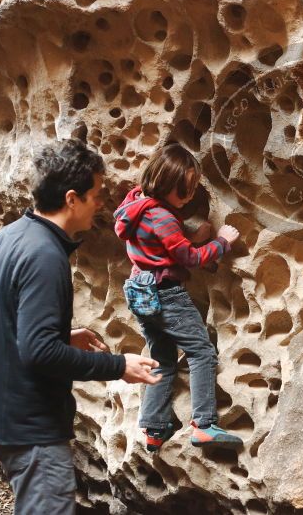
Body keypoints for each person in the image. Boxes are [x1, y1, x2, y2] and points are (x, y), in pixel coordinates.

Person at [0, 139, 162, 515]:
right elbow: (39, 352)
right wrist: (119, 367)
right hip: (33, 429)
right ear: (72, 198)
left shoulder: (6, 238)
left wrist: (58, 333)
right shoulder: (45, 255)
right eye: (97, 194)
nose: (102, 203)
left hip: (3, 422)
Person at [113, 143, 242, 452]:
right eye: (184, 190)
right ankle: (205, 425)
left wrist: (183, 235)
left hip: (139, 291)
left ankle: (154, 430)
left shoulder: (133, 204)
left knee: (163, 360)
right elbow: (190, 258)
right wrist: (222, 242)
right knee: (201, 352)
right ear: (166, 184)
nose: (188, 196)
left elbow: (161, 246)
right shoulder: (164, 219)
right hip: (166, 293)